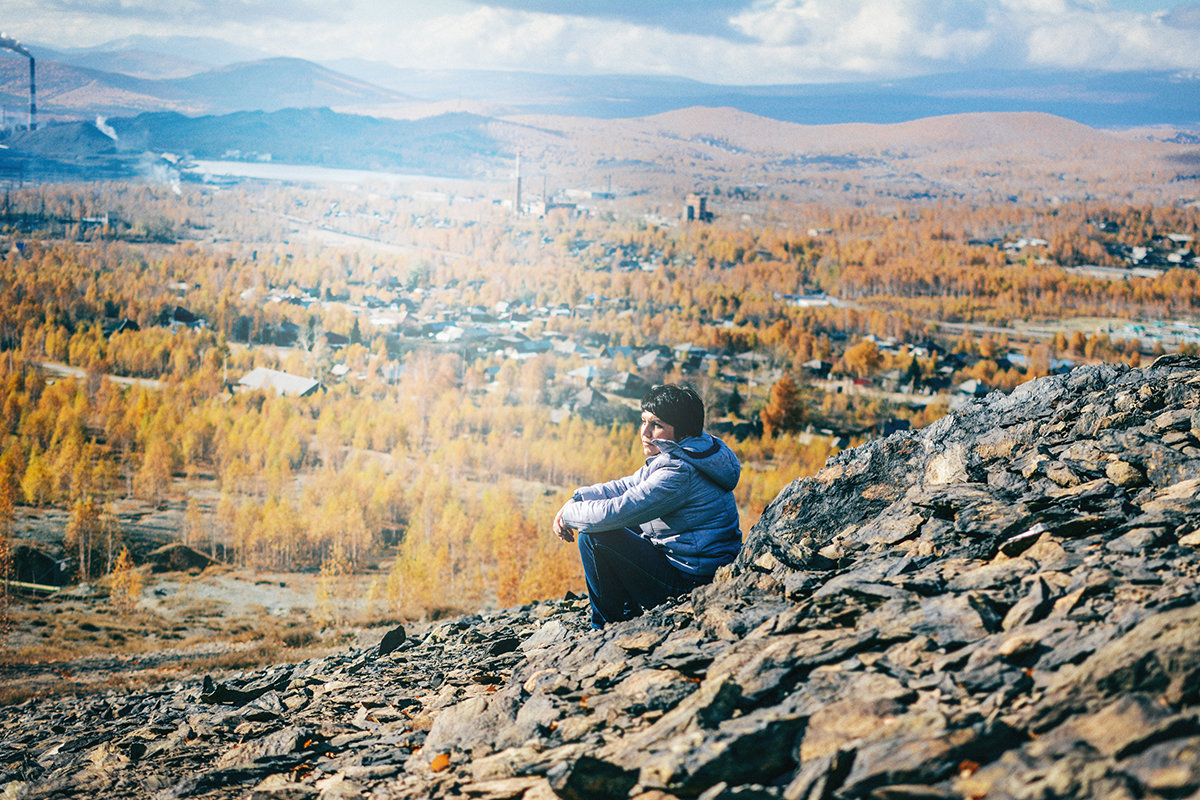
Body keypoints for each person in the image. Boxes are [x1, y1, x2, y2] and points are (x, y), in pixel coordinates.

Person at [553, 384, 742, 628]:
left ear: (682, 431)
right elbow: (627, 486)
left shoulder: (678, 471)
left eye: (657, 425)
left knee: (594, 536)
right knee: (619, 526)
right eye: (643, 421)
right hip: (700, 568)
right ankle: (622, 612)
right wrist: (578, 498)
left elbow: (618, 510)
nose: (645, 432)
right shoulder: (697, 451)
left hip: (691, 583)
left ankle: (609, 625)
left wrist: (569, 515)